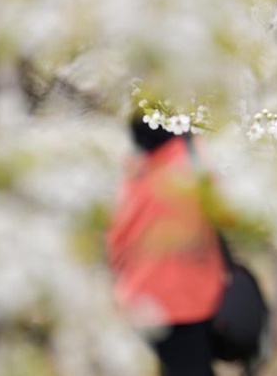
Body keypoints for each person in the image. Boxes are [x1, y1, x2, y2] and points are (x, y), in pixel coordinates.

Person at [107, 114, 227, 376]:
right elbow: (224, 213)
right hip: (190, 295)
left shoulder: (133, 169)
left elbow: (115, 235)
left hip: (140, 297)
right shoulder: (193, 157)